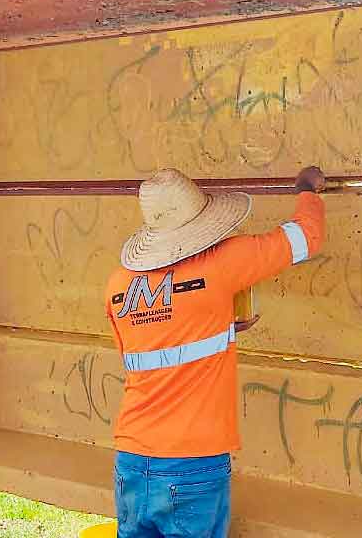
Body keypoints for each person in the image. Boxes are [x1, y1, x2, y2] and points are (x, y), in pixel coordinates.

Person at [105, 166, 326, 538]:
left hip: (132, 459)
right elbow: (306, 237)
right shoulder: (223, 263)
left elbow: (150, 346)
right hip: (192, 463)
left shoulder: (118, 285)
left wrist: (216, 323)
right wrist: (307, 190)